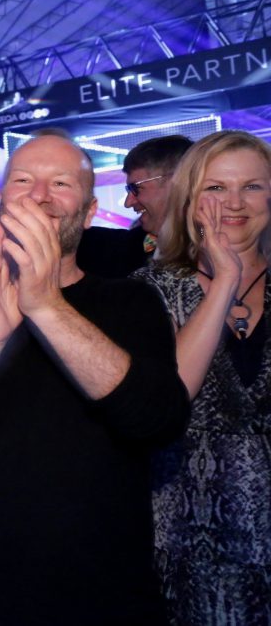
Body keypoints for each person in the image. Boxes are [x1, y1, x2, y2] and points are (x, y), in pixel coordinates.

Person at [0, 134, 190, 625]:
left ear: (89, 212)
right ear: (3, 204)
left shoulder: (130, 302)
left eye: (61, 183)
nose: (40, 195)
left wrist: (46, 306)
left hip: (109, 601)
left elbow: (159, 421)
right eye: (24, 181)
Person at [133, 129, 271, 625]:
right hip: (190, 540)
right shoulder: (150, 288)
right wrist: (225, 280)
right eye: (216, 188)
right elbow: (170, 397)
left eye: (252, 186)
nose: (234, 202)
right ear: (190, 199)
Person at [77, 134, 192, 277]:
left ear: (177, 184)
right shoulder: (131, 248)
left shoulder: (210, 246)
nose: (128, 202)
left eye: (136, 188)